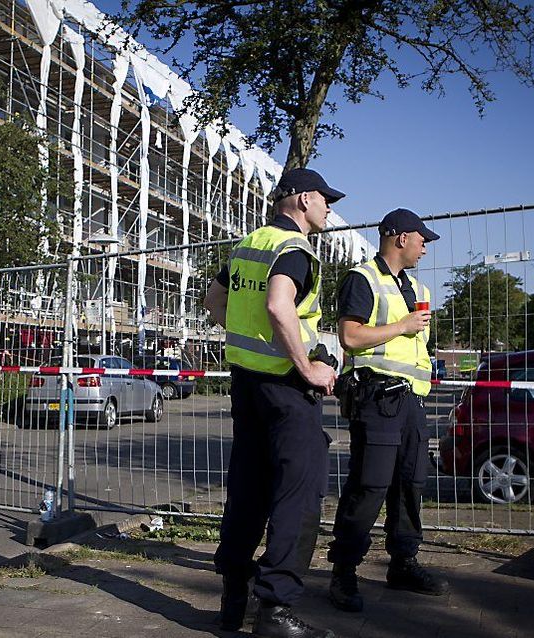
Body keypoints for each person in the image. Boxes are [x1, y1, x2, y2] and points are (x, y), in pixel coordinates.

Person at [204, 168, 342, 638]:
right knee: (298, 495)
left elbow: (215, 300)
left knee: (247, 490)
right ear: (303, 199)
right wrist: (306, 366)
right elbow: (279, 306)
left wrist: (250, 344)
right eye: (325, 199)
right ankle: (276, 612)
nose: (328, 208)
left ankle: (232, 600)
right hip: (287, 390)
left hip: (247, 386)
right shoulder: (294, 248)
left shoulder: (248, 245)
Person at [327, 208, 450, 613]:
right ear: (400, 238)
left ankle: (404, 562)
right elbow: (350, 336)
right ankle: (343, 570)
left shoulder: (415, 286)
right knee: (371, 485)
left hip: (413, 400)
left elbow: (419, 345)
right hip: (378, 398)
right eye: (422, 240)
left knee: (412, 482)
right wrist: (402, 326)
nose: (425, 248)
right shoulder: (363, 279)